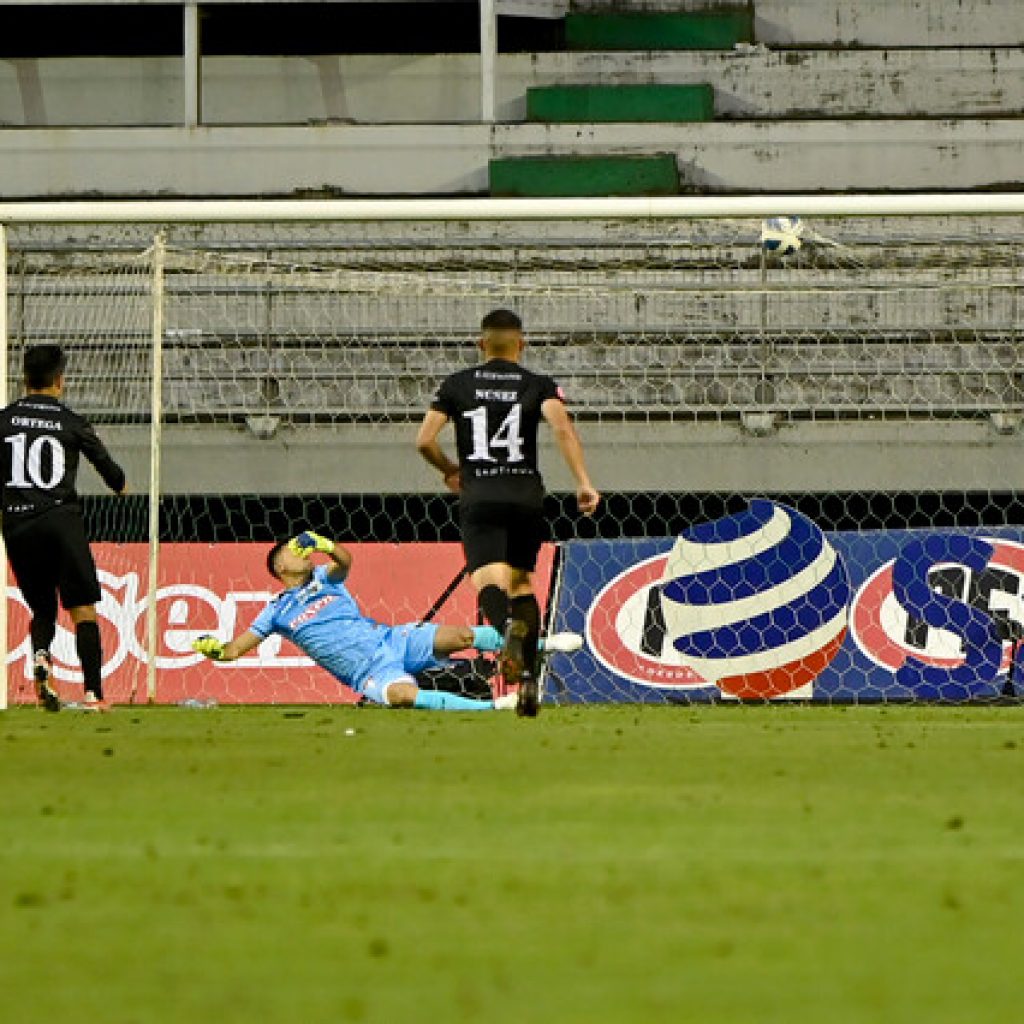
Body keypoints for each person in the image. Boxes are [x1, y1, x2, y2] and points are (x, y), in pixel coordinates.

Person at [415, 308, 599, 716]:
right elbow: (563, 428)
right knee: (521, 586)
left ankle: (505, 633)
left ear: (481, 344)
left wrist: (449, 470)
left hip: (480, 495)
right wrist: (583, 482)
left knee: (489, 582)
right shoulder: (538, 385)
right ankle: (530, 680)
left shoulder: (456, 385)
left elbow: (424, 440)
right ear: (522, 343)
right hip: (526, 497)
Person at [191, 530, 523, 712]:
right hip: (368, 673)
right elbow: (235, 650)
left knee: (462, 636)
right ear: (280, 568)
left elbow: (346, 562)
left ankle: (536, 643)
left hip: (392, 640)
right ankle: (494, 707)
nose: (303, 554)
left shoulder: (325, 577)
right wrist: (216, 651)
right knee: (403, 697)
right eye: (293, 552)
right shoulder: (276, 611)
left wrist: (326, 546)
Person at [0, 344, 128, 712]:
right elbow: (105, 463)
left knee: (42, 609)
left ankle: (42, 657)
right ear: (60, 380)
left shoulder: (4, 420)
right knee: (82, 609)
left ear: (24, 380)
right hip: (60, 520)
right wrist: (120, 486)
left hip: (18, 523)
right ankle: (93, 695)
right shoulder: (70, 421)